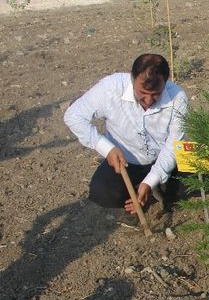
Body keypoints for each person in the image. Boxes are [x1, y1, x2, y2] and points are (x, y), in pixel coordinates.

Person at [64, 54, 187, 215]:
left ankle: (155, 187)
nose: (149, 100)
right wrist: (106, 148)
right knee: (102, 193)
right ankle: (137, 195)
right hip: (126, 161)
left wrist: (150, 181)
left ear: (166, 81)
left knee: (191, 185)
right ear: (132, 78)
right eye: (142, 92)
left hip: (162, 157)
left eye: (156, 94)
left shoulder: (178, 98)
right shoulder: (110, 88)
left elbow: (172, 146)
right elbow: (73, 116)